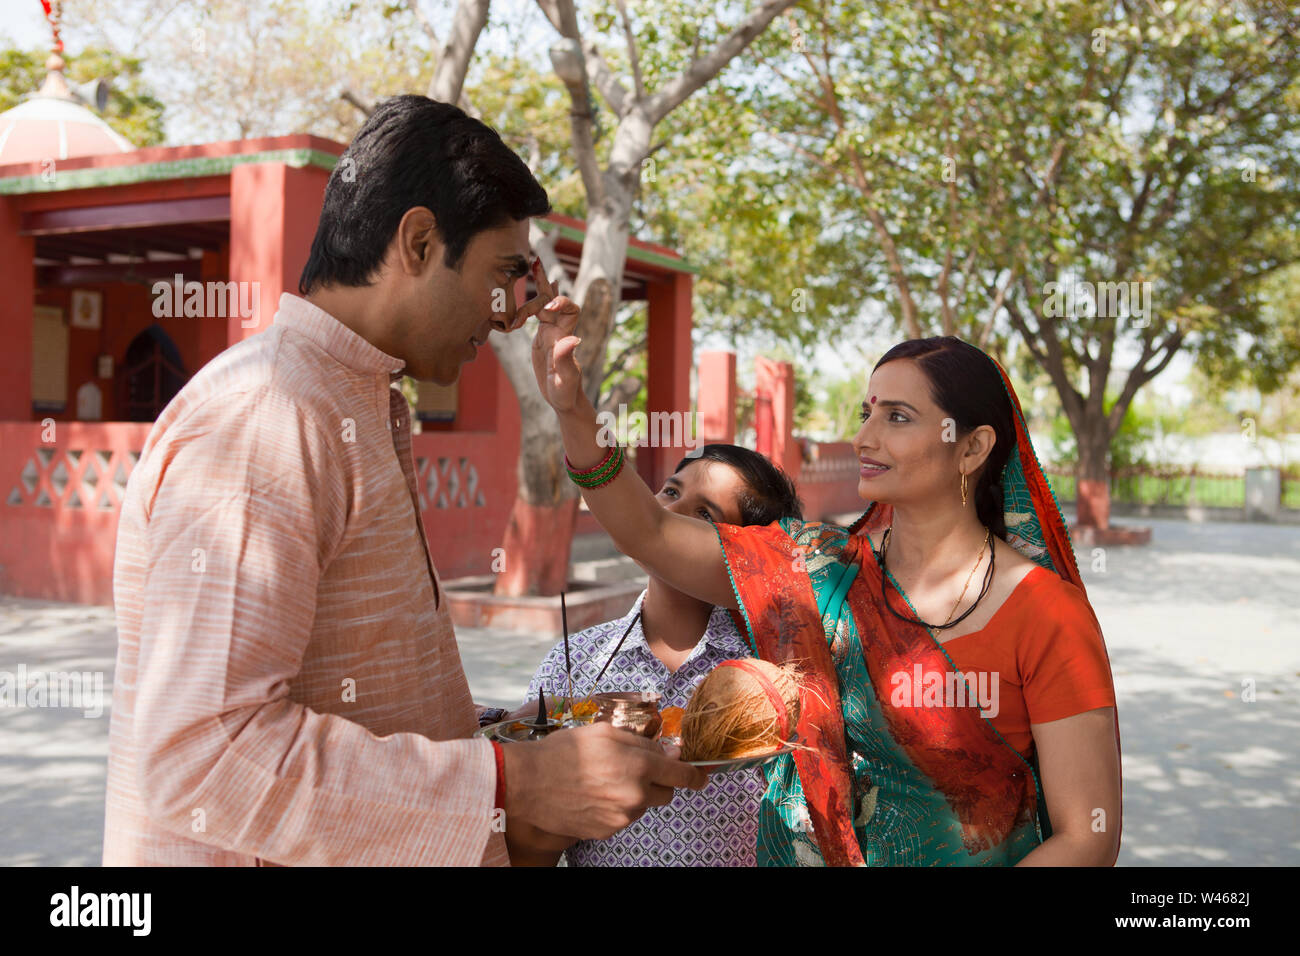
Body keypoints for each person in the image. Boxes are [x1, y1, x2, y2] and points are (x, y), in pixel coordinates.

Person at [103, 95, 705, 868]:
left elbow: (350, 698)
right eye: (501, 274)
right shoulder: (267, 416)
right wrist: (510, 783)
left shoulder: (346, 399)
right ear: (419, 242)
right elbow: (208, 758)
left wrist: (509, 740)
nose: (510, 315)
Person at [530, 314, 1122, 867]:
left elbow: (1088, 836)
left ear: (972, 447)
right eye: (866, 412)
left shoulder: (1046, 613)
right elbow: (651, 531)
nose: (865, 437)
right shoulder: (820, 569)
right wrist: (574, 409)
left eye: (896, 417)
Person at [522, 444, 803, 866]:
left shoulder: (774, 680)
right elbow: (527, 844)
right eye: (671, 492)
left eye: (706, 514)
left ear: (747, 554)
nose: (669, 513)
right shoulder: (577, 660)